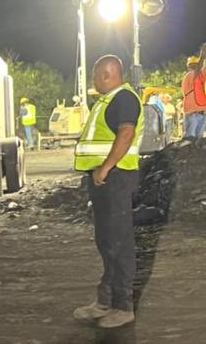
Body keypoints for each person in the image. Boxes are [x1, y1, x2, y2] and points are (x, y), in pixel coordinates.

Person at [72, 55, 144, 329]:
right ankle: (104, 301)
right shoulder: (108, 100)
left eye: (94, 75)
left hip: (116, 179)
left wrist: (105, 168)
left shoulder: (123, 99)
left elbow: (126, 134)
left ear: (105, 74)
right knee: (106, 242)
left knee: (118, 243)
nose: (92, 80)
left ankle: (123, 307)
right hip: (106, 181)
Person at [181, 55, 206, 139]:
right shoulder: (191, 75)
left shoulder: (196, 77)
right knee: (191, 139)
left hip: (198, 113)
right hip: (194, 114)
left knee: (195, 140)